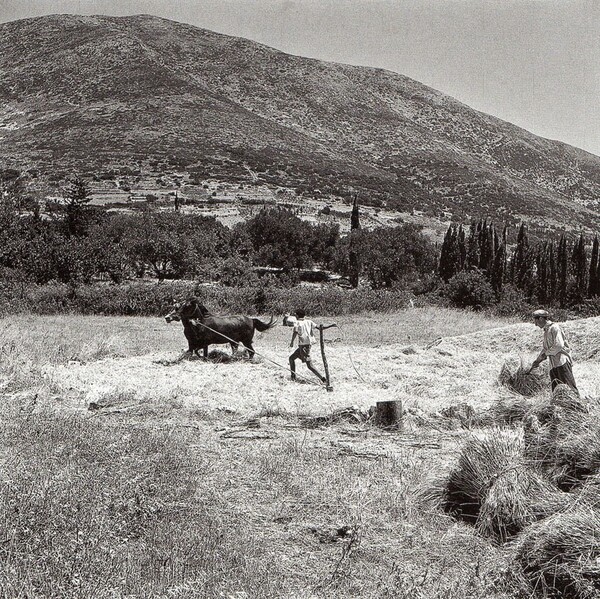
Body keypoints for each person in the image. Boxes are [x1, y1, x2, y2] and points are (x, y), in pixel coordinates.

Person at [528, 309, 578, 392]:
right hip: (553, 364)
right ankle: (559, 405)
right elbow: (545, 349)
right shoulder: (546, 331)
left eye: (535, 321)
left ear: (540, 318)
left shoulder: (554, 328)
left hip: (562, 362)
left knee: (570, 389)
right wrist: (537, 361)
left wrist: (546, 354)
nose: (535, 324)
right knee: (557, 391)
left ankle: (576, 404)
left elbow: (559, 345)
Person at [289, 309, 326, 383]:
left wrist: (292, 342)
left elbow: (295, 332)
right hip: (305, 345)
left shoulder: (297, 323)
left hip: (303, 346)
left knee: (309, 365)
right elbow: (319, 328)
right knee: (291, 358)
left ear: (297, 315)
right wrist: (331, 325)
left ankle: (323, 379)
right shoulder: (309, 321)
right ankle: (293, 376)